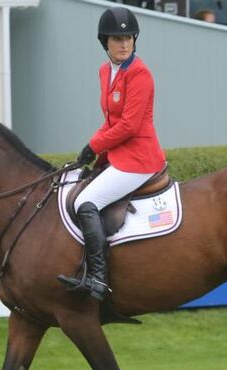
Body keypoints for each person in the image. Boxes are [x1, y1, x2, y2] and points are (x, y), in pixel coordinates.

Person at [57, 7, 166, 300]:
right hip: (118, 155)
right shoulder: (105, 71)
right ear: (104, 41)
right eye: (117, 38)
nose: (124, 43)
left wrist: (94, 146)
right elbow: (110, 120)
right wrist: (93, 149)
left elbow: (129, 125)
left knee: (85, 201)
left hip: (139, 158)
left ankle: (97, 279)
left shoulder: (140, 73)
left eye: (128, 37)